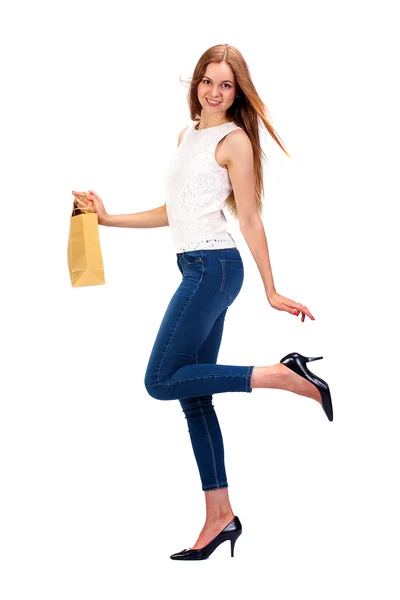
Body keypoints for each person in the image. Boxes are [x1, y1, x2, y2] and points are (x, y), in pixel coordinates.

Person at [72, 43, 333, 561]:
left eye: (226, 84)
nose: (214, 91)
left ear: (237, 92)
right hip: (194, 267)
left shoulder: (234, 141)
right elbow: (175, 212)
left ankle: (280, 375)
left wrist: (271, 290)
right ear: (196, 83)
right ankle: (221, 517)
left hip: (215, 270)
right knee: (192, 397)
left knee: (159, 381)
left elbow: (251, 218)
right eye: (207, 81)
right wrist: (107, 219)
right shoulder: (188, 135)